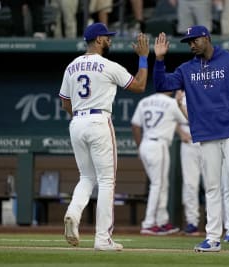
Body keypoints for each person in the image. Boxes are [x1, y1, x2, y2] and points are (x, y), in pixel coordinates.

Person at [153, 25, 229, 253]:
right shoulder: (187, 68)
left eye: (194, 40)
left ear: (206, 38)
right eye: (188, 41)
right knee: (211, 187)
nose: (191, 44)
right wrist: (160, 60)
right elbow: (162, 85)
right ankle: (213, 238)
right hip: (206, 133)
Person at [59, 22, 149, 251]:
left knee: (86, 177)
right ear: (98, 39)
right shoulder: (108, 65)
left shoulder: (71, 66)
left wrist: (80, 113)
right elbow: (139, 85)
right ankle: (102, 239)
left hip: (77, 121)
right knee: (107, 181)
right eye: (107, 37)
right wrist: (143, 58)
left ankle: (73, 212)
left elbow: (64, 103)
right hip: (99, 120)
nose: (110, 40)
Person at [131, 91, 187, 235]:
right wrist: (180, 103)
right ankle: (149, 223)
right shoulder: (171, 103)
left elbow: (135, 125)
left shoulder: (145, 100)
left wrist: (139, 147)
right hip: (158, 145)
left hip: (145, 144)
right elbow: (187, 118)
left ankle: (162, 221)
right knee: (158, 185)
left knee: (160, 184)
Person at [175, 91, 204, 236]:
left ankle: (223, 224)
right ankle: (192, 222)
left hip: (207, 135)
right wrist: (180, 132)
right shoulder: (181, 92)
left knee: (214, 184)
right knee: (190, 184)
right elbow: (171, 117)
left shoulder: (209, 85)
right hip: (188, 136)